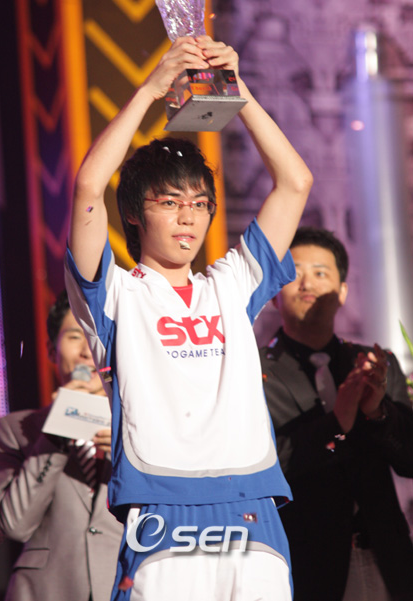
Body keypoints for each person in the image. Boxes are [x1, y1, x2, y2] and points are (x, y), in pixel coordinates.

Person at [64, 34, 313, 601]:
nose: (188, 217)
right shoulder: (114, 296)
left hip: (251, 505)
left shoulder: (231, 284)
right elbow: (88, 186)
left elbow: (295, 182)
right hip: (162, 508)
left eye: (200, 204)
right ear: (135, 213)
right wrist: (152, 89)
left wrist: (235, 91)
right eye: (170, 202)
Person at [260, 226, 413, 601]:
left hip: (388, 560)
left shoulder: (376, 363)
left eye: (321, 272)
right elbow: (263, 468)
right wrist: (337, 424)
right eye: (294, 272)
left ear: (342, 291)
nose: (307, 283)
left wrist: (377, 412)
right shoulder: (251, 373)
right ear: (274, 293)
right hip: (305, 564)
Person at [0, 290, 123, 601]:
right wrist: (57, 432)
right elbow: (16, 524)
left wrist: (129, 453)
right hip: (48, 591)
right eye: (76, 337)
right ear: (52, 350)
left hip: (128, 585)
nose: (88, 351)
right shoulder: (17, 430)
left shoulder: (143, 430)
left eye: (98, 337)